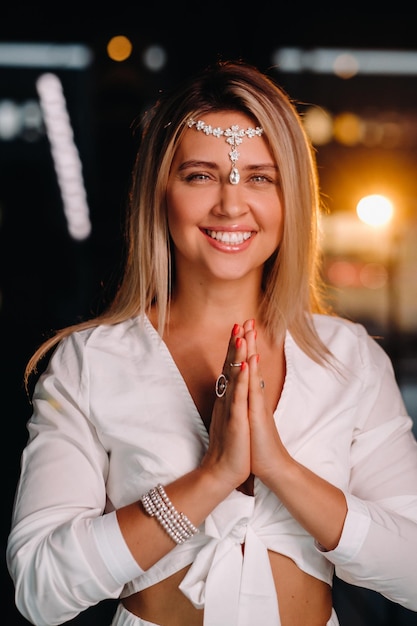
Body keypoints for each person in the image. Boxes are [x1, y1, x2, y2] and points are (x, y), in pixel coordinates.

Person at [6, 59, 417, 626]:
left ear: (289, 196)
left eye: (260, 177)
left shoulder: (351, 358)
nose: (230, 203)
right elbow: (38, 588)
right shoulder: (89, 362)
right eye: (200, 175)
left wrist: (280, 469)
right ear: (160, 192)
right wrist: (212, 477)